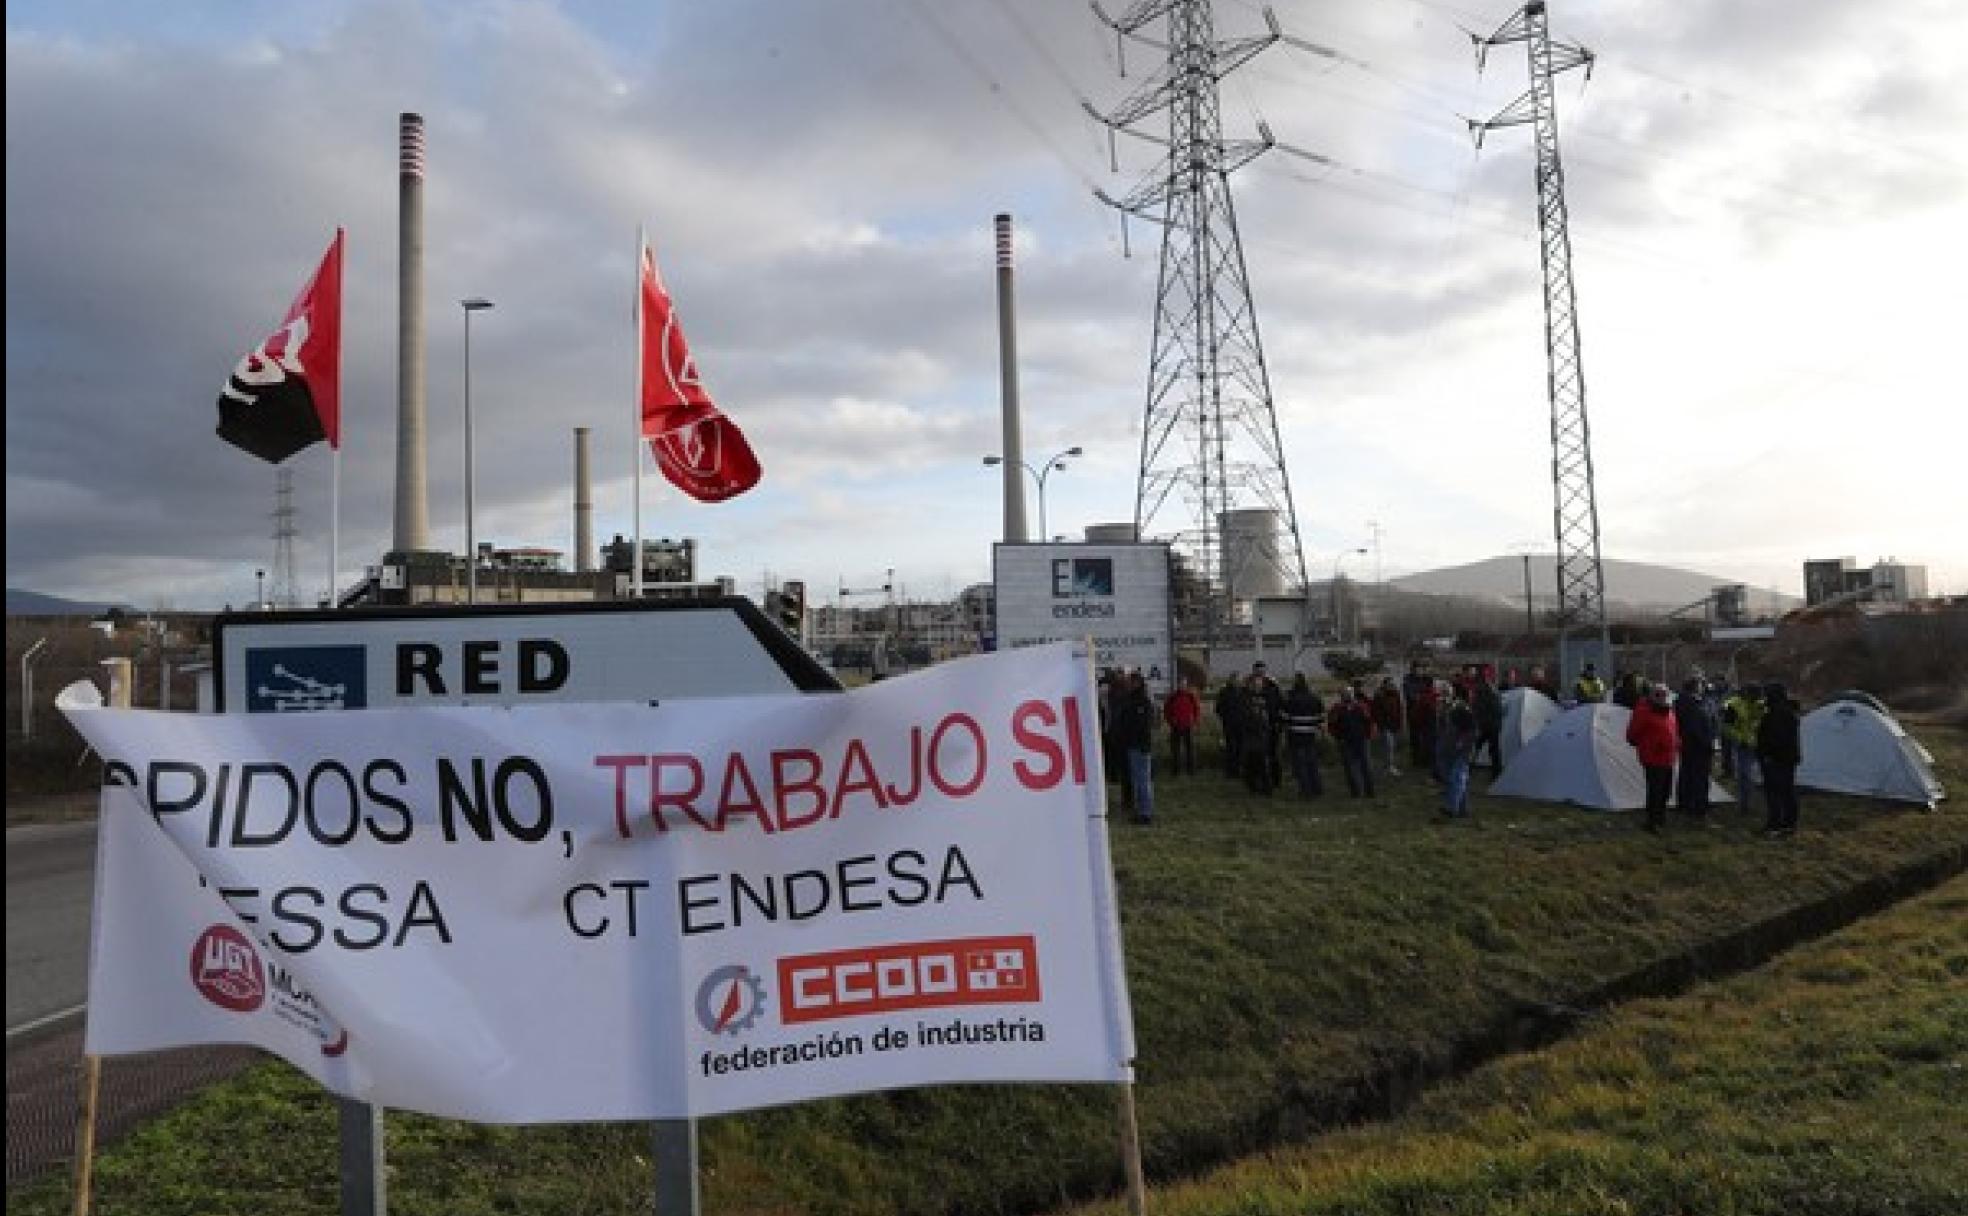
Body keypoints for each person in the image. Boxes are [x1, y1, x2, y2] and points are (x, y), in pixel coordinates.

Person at [1626, 682, 1680, 833]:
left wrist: (1677, 743)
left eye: (1664, 695)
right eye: (1658, 695)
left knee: (1666, 790)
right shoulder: (1643, 711)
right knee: (1655, 790)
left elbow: (1673, 729)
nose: (1662, 698)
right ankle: (1652, 822)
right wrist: (1649, 744)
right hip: (1652, 757)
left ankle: (1660, 817)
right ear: (1652, 696)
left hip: (1668, 756)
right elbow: (1632, 734)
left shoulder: (1669, 711)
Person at [1757, 683, 1802, 839]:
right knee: (1787, 791)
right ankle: (1789, 823)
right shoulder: (1788, 712)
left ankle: (1775, 825)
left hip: (1776, 760)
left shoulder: (1777, 714)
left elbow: (1775, 739)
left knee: (1775, 793)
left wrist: (1767, 754)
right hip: (1787, 759)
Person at [1116, 671, 1157, 824]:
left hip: (1140, 745)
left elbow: (1142, 725)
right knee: (1138, 779)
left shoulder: (1143, 701)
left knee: (1142, 780)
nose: (1128, 684)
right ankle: (1141, 810)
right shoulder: (1132, 699)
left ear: (1137, 683)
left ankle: (1145, 813)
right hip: (1132, 745)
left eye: (1131, 681)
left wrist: (1129, 735)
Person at [1673, 676, 1716, 819]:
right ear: (1695, 687)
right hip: (1697, 746)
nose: (1702, 687)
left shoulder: (1681, 701)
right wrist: (1707, 743)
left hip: (1687, 744)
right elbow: (1695, 727)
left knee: (1687, 774)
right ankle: (1698, 805)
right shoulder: (1691, 704)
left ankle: (1686, 803)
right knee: (1698, 776)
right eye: (1700, 685)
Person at [1722, 682, 1765, 817]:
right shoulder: (1733, 705)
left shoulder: (1761, 704)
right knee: (1744, 775)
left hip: (1759, 744)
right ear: (1746, 693)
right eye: (1753, 696)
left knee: (1761, 773)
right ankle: (1744, 805)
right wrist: (1741, 739)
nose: (1756, 698)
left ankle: (1759, 803)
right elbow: (1727, 727)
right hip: (1743, 745)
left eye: (1758, 696)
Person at [1328, 686, 1377, 798]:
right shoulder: (1337, 708)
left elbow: (1369, 721)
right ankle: (1357, 792)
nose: (1347, 695)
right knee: (1351, 768)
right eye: (1345, 693)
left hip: (1361, 740)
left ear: (1353, 694)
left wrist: (1369, 735)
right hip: (1346, 741)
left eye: (1349, 693)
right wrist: (1338, 737)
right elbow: (1331, 725)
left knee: (1366, 766)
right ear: (1341, 695)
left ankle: (1369, 791)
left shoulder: (1361, 706)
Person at [1283, 674, 1326, 799]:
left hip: (1296, 735)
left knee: (1301, 764)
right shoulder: (1314, 698)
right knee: (1312, 762)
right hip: (1310, 734)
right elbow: (1321, 717)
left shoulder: (1291, 700)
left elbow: (1285, 718)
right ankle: (1317, 788)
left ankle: (1305, 790)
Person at [1440, 685, 1477, 819]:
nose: (1443, 697)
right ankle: (1463, 809)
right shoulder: (1445, 708)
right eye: (1442, 694)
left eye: (1446, 693)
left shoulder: (1461, 709)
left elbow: (1471, 729)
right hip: (1450, 748)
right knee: (1457, 779)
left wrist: (1462, 743)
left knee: (1457, 778)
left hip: (1462, 749)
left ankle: (1452, 808)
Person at [1251, 662, 1286, 790]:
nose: (1260, 674)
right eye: (1258, 672)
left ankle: (1275, 780)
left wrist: (1279, 722)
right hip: (1256, 729)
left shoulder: (1273, 686)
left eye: (1262, 672)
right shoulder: (1248, 687)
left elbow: (1282, 704)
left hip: (1272, 726)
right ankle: (1259, 781)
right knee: (1257, 756)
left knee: (1273, 755)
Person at [1239, 673, 1276, 794]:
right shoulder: (1245, 697)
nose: (1257, 686)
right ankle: (1253, 786)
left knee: (1262, 763)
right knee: (1250, 763)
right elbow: (1242, 714)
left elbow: (1272, 711)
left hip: (1261, 735)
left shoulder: (1267, 695)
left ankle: (1266, 787)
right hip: (1250, 734)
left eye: (1259, 684)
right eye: (1255, 684)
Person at [1162, 680, 1201, 777]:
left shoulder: (1191, 696)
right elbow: (1166, 710)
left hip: (1188, 726)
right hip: (1176, 726)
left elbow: (1197, 709)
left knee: (1190, 750)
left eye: (1183, 684)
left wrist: (1195, 721)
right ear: (1177, 686)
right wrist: (1171, 721)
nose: (1181, 686)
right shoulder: (1173, 697)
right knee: (1175, 750)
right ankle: (1175, 771)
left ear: (1186, 685)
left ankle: (1191, 771)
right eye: (1180, 684)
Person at [1472, 668, 1505, 779]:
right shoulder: (1485, 689)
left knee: (1486, 748)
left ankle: (1496, 773)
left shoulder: (1491, 689)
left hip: (1490, 724)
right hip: (1487, 724)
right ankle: (1496, 772)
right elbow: (1479, 707)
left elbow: (1496, 708)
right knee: (1477, 747)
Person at [1371, 677, 1405, 776]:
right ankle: (1389, 767)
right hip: (1385, 726)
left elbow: (1399, 709)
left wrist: (1400, 723)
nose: (1391, 686)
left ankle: (1388, 766)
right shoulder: (1379, 696)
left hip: (1394, 724)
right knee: (1388, 746)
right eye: (1389, 684)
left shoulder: (1396, 694)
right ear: (1384, 685)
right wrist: (1379, 723)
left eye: (1392, 684)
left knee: (1391, 746)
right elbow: (1375, 711)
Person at [1215, 678, 1245, 780]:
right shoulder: (1224, 692)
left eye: (1238, 680)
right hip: (1229, 725)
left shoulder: (1243, 692)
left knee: (1241, 748)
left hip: (1242, 725)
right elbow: (1218, 708)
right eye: (1235, 680)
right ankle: (1230, 771)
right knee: (1231, 748)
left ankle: (1240, 770)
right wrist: (1226, 718)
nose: (1236, 682)